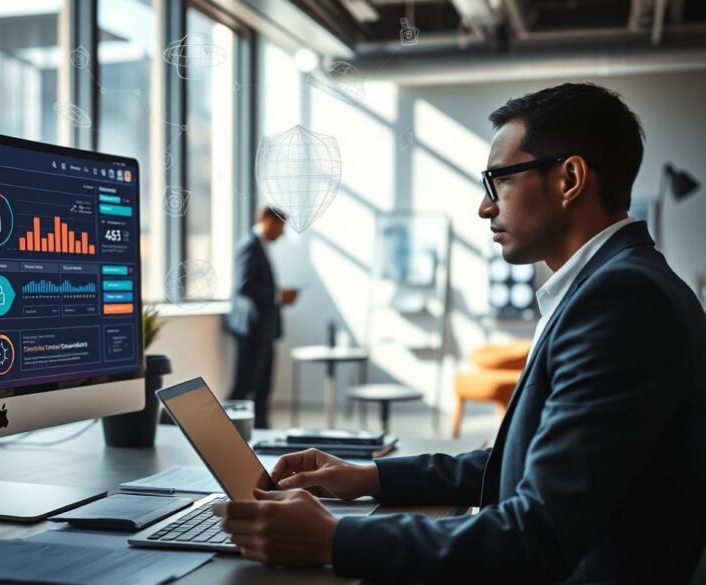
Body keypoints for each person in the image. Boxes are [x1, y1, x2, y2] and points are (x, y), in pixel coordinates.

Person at [213, 83, 706, 583]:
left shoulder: (620, 301)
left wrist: (333, 538)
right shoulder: (616, 285)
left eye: (497, 181)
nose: (485, 207)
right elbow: (523, 460)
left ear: (569, 179)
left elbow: (536, 536)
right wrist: (368, 476)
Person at [225, 206, 298, 429]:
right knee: (244, 387)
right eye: (280, 227)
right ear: (268, 220)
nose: (282, 233)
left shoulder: (259, 246)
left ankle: (263, 434)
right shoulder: (249, 246)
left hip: (263, 330)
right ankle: (223, 432)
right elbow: (243, 286)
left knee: (263, 388)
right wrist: (277, 295)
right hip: (252, 330)